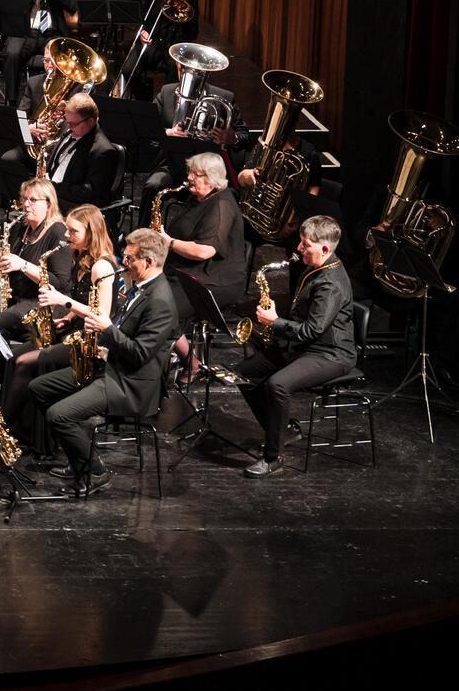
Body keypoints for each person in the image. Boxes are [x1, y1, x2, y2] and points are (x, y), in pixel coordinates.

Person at [29, 228, 175, 498]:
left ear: (149, 262)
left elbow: (140, 354)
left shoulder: (161, 302)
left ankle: (94, 472)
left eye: (130, 259)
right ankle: (79, 458)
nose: (125, 263)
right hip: (110, 367)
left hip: (130, 383)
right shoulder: (141, 288)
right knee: (39, 387)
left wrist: (107, 330)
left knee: (58, 415)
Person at [232, 215, 355, 477]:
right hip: (303, 347)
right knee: (241, 374)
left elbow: (313, 330)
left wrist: (275, 322)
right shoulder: (315, 268)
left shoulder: (330, 283)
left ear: (324, 249)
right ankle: (284, 430)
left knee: (278, 384)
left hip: (331, 354)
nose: (298, 248)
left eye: (305, 244)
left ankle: (273, 459)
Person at [0, 203, 117, 457]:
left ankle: (5, 428)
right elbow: (87, 299)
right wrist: (68, 317)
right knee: (14, 358)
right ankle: (19, 429)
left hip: (88, 345)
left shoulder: (103, 267)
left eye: (73, 232)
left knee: (24, 363)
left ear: (91, 233)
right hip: (72, 332)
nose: (66, 236)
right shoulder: (81, 257)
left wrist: (64, 303)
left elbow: (102, 316)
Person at [0, 178, 75, 384]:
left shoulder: (57, 231)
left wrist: (22, 265)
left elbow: (59, 282)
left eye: (33, 200)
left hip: (42, 303)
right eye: (25, 199)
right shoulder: (20, 228)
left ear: (49, 204)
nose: (26, 204)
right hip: (17, 298)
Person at [156, 152, 246, 323]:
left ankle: (183, 349)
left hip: (213, 280)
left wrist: (170, 242)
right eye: (190, 172)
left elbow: (204, 251)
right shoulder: (199, 196)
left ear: (212, 178)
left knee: (161, 310)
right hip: (185, 270)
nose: (189, 177)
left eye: (195, 174)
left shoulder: (221, 206)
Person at [4, 90, 122, 208]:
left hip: (72, 204)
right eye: (68, 122)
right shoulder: (71, 130)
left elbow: (89, 192)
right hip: (53, 191)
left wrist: (52, 187)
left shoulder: (103, 151)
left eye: (73, 124)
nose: (69, 128)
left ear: (91, 121)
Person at [1, 0, 82, 104]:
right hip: (25, 32)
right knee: (12, 53)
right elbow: (12, 9)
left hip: (52, 32)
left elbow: (72, 6)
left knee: (61, 56)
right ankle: (12, 102)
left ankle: (56, 103)